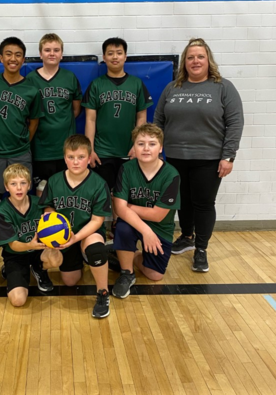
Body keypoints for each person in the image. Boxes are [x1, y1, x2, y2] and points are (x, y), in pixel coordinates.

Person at [154, 38, 244, 273]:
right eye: (191, 57)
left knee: (203, 203)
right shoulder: (172, 88)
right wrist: (155, 150)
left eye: (200, 57)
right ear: (185, 62)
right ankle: (186, 236)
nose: (195, 61)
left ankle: (201, 249)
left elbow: (235, 123)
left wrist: (228, 156)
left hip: (209, 158)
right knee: (182, 201)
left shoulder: (223, 87)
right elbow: (158, 120)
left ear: (208, 60)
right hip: (174, 157)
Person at [83, 38, 154, 233]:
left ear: (125, 56)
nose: (115, 57)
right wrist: (90, 149)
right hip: (103, 150)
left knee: (124, 193)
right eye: (110, 53)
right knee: (102, 192)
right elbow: (90, 120)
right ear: (104, 57)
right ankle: (97, 230)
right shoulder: (96, 85)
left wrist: (137, 145)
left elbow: (142, 117)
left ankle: (118, 227)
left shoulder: (136, 84)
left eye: (119, 52)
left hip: (128, 150)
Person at [40, 135, 114, 319]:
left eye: (81, 157)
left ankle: (103, 293)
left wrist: (76, 237)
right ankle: (90, 259)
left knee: (95, 249)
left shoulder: (98, 184)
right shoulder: (55, 181)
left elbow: (97, 221)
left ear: (89, 158)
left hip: (87, 232)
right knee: (70, 281)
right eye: (71, 157)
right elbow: (48, 206)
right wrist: (50, 218)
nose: (75, 162)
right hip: (64, 236)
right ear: (64, 158)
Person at [111, 125, 182, 299]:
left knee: (155, 275)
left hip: (160, 227)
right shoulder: (126, 169)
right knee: (123, 228)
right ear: (133, 147)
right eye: (140, 143)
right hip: (133, 224)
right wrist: (145, 230)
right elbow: (119, 209)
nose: (146, 148)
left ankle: (129, 255)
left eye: (152, 144)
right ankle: (126, 272)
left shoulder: (171, 175)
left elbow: (158, 215)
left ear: (161, 148)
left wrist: (128, 207)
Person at [0, 38, 44, 199]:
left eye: (18, 55)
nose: (13, 59)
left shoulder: (31, 89)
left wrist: (23, 142)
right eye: (8, 54)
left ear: (23, 59)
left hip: (20, 152)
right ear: (1, 58)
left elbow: (34, 121)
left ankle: (21, 225)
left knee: (20, 196)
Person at [0, 164, 57, 307]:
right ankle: (11, 271)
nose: (19, 188)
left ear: (29, 185)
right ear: (6, 187)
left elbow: (51, 212)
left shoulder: (38, 203)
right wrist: (29, 245)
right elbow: (13, 245)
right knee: (18, 301)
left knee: (56, 258)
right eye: (13, 184)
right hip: (16, 255)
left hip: (37, 250)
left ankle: (39, 269)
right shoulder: (2, 211)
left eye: (23, 183)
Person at [28, 34, 83, 192]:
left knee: (66, 187)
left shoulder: (70, 78)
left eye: (56, 50)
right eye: (47, 50)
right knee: (42, 188)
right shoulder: (31, 79)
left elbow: (76, 109)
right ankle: (45, 218)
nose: (52, 53)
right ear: (40, 54)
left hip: (65, 147)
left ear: (61, 54)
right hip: (41, 147)